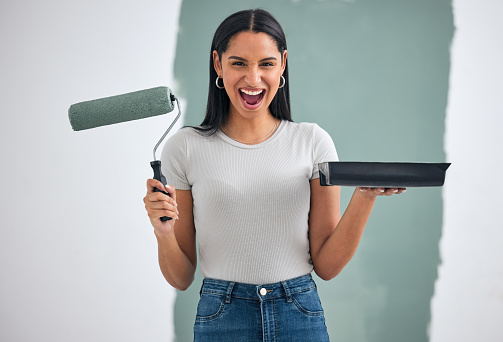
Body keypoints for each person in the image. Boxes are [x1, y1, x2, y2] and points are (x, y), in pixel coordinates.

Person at [143, 8, 405, 342]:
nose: (253, 79)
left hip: (298, 314)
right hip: (222, 317)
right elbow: (181, 278)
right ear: (217, 63)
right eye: (239, 63)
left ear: (282, 63)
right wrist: (162, 233)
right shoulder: (184, 147)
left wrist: (366, 196)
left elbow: (326, 266)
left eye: (266, 63)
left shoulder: (312, 142)